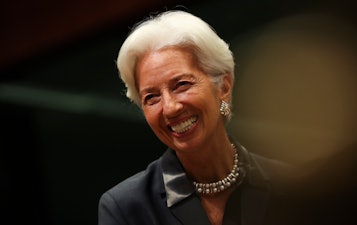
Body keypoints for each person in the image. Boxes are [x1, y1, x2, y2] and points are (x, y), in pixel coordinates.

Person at [98, 9, 288, 225]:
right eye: (151, 97)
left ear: (223, 87)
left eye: (181, 85)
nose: (170, 108)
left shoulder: (292, 186)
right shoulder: (125, 208)